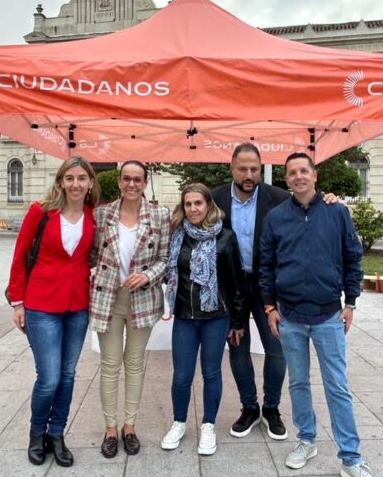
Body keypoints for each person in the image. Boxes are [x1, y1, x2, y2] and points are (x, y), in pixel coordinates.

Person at [260, 152, 383, 477]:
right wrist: (270, 306)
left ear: (314, 175)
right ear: (286, 179)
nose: (298, 176)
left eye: (304, 171)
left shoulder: (336, 211)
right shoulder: (276, 218)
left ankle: (351, 458)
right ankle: (306, 439)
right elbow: (266, 264)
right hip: (290, 316)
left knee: (337, 386)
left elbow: (352, 257)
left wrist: (352, 302)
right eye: (292, 172)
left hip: (329, 314)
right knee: (298, 382)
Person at [6, 156, 97, 467]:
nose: (75, 184)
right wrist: (17, 302)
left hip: (77, 306)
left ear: (89, 183)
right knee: (48, 378)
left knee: (68, 375)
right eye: (69, 178)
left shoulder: (92, 215)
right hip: (41, 304)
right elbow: (19, 257)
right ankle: (36, 433)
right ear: (60, 181)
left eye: (81, 178)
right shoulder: (40, 212)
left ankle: (56, 433)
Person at [89, 161, 170, 458]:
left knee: (134, 365)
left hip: (143, 299)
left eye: (137, 179)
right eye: (127, 179)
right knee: (110, 366)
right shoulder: (102, 214)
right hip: (107, 298)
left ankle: (130, 426)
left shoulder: (159, 216)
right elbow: (89, 254)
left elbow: (164, 258)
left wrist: (148, 275)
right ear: (119, 182)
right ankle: (110, 429)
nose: (132, 184)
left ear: (145, 182)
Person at [212, 142, 290, 440]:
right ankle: (249, 407)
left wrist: (330, 199)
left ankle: (271, 408)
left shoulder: (280, 198)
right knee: (237, 348)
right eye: (242, 168)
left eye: (254, 169)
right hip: (232, 287)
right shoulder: (216, 198)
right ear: (231, 168)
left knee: (277, 349)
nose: (248, 174)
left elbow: (308, 211)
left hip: (268, 286)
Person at [161, 183, 246, 456]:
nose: (193, 209)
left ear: (209, 205)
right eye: (188, 204)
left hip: (215, 317)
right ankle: (179, 422)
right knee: (182, 375)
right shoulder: (177, 236)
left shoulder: (225, 237)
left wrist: (237, 322)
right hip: (185, 316)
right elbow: (167, 272)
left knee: (211, 373)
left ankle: (208, 425)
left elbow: (236, 283)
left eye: (198, 203)